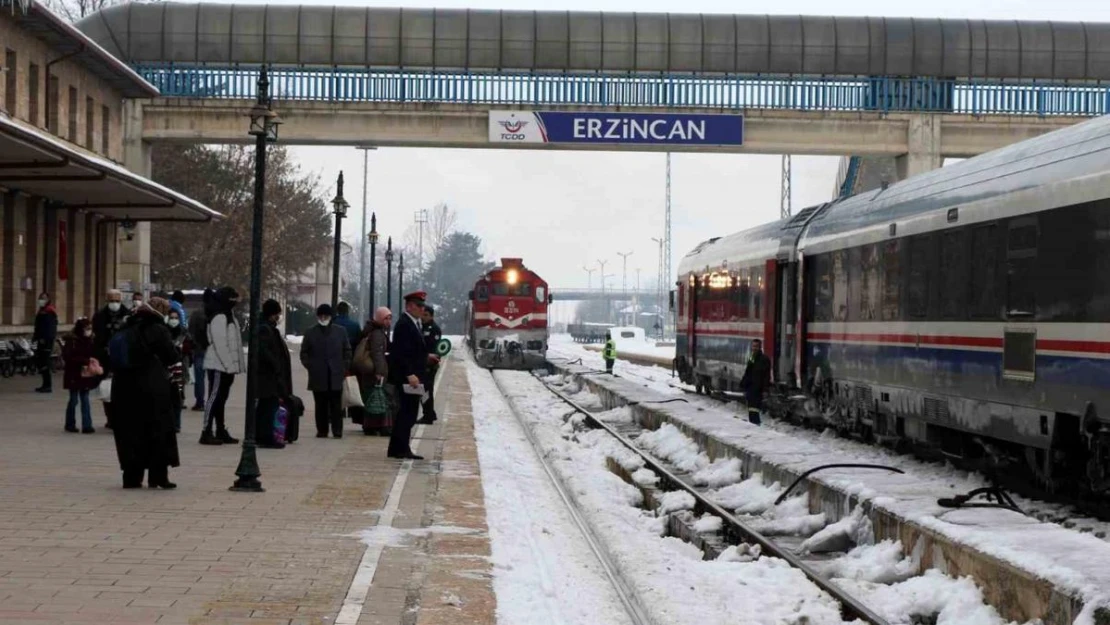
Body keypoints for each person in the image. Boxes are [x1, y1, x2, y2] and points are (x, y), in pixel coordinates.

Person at [110, 297, 182, 489]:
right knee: (158, 430)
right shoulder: (158, 329)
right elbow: (171, 356)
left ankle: (131, 476)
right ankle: (158, 476)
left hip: (123, 387)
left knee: (130, 431)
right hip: (151, 386)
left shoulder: (126, 326)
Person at [387, 291, 430, 460]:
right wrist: (410, 374)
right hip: (408, 378)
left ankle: (397, 447)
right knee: (407, 413)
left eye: (423, 306)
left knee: (408, 413)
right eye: (419, 306)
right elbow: (401, 353)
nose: (422, 309)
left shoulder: (413, 323)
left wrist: (427, 358)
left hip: (414, 377)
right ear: (410, 306)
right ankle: (400, 448)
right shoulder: (405, 324)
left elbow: (414, 350)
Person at [300, 303, 352, 439]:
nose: (323, 318)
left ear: (331, 317)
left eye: (326, 316)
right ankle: (322, 430)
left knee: (336, 406)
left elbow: (347, 350)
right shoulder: (310, 332)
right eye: (321, 316)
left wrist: (344, 367)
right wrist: (310, 366)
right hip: (318, 375)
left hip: (335, 374)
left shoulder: (340, 331)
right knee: (321, 405)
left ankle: (337, 430)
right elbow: (304, 352)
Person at [201, 286, 243, 445]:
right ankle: (206, 431)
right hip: (218, 365)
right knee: (214, 397)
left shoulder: (228, 314)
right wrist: (229, 365)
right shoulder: (219, 316)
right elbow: (220, 344)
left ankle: (220, 429)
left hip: (226, 366)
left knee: (221, 398)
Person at [257, 299, 292, 448]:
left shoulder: (268, 328)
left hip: (269, 376)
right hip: (268, 377)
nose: (278, 317)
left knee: (266, 406)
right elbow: (265, 351)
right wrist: (277, 366)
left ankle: (262, 435)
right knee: (269, 406)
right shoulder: (265, 329)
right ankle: (266, 437)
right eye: (277, 314)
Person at [93, 289, 130, 428]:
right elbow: (97, 337)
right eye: (111, 300)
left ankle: (121, 416)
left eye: (117, 301)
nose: (114, 303)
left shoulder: (127, 315)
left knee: (123, 389)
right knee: (106, 389)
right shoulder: (100, 316)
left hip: (122, 358)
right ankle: (110, 417)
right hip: (105, 357)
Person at [354, 307, 393, 436]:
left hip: (368, 371)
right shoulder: (377, 333)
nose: (388, 321)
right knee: (378, 398)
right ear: (379, 319)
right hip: (373, 371)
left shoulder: (370, 330)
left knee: (371, 397)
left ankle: (370, 425)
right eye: (386, 318)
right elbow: (377, 354)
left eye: (390, 318)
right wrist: (380, 371)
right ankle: (380, 425)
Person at [62, 318, 98, 433]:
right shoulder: (72, 340)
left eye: (90, 328)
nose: (89, 331)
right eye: (87, 328)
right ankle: (70, 424)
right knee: (73, 400)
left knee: (85, 399)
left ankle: (87, 425)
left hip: (85, 373)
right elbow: (68, 357)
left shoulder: (91, 340)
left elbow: (94, 353)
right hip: (73, 373)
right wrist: (85, 360)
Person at [187, 288, 213, 411]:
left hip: (199, 350)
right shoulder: (215, 314)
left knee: (199, 378)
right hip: (213, 351)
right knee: (213, 379)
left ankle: (200, 402)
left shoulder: (197, 313)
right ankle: (212, 402)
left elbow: (190, 331)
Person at [418, 304, 442, 425]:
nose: (423, 317)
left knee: (426, 390)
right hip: (423, 363)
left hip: (430, 365)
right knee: (424, 390)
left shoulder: (434, 329)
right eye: (422, 314)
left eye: (426, 315)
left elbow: (436, 348)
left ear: (431, 316)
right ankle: (429, 413)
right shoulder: (421, 327)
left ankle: (428, 415)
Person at [739, 339, 773, 425]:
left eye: (756, 346)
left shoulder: (764, 359)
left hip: (758, 388)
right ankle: (753, 424)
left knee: (754, 409)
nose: (754, 348)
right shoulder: (752, 357)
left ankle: (756, 425)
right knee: (751, 409)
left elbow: (766, 376)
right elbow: (748, 372)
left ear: (760, 347)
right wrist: (743, 384)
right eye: (753, 346)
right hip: (750, 388)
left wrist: (765, 389)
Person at [166, 309, 188, 433]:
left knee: (178, 396)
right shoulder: (164, 331)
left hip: (180, 367)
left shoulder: (183, 331)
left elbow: (190, 347)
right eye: (171, 317)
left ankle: (177, 424)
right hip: (167, 367)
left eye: (176, 318)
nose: (173, 320)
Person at [32, 292, 58, 393]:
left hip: (46, 341)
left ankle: (48, 385)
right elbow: (38, 326)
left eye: (44, 298)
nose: (41, 300)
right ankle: (44, 384)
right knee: (41, 361)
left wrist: (45, 338)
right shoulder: (42, 311)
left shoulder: (49, 311)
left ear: (48, 300)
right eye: (40, 298)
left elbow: (50, 328)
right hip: (41, 340)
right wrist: (36, 337)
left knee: (45, 362)